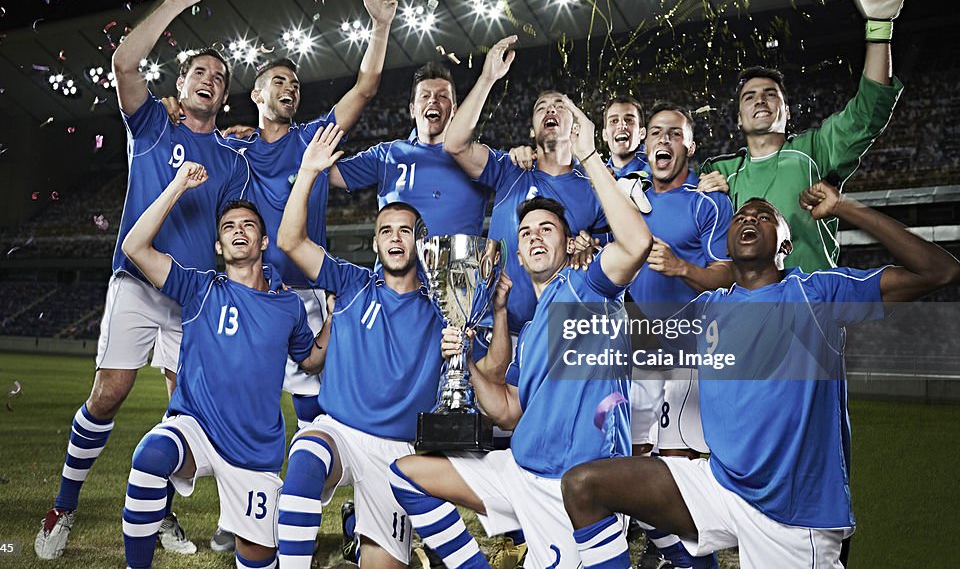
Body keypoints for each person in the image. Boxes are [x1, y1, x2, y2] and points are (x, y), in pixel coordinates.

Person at [559, 185, 960, 568]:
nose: (748, 219)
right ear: (728, 241)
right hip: (721, 485)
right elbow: (644, 343)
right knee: (584, 485)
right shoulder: (709, 307)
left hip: (792, 514)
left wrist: (844, 208)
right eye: (740, 217)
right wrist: (607, 280)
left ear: (785, 244)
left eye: (764, 216)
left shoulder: (815, 295)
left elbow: (939, 271)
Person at [35, 0, 250, 559]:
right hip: (135, 280)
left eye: (220, 77)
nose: (210, 80)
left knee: (185, 408)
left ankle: (159, 514)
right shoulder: (154, 124)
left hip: (190, 295)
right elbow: (125, 61)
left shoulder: (230, 159)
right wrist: (176, 4)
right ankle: (64, 507)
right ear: (180, 84)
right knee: (109, 393)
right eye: (200, 72)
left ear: (225, 95)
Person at [387, 104, 652, 569]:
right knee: (407, 474)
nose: (533, 236)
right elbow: (510, 409)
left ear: (570, 244)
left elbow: (635, 245)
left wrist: (589, 156)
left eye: (547, 229)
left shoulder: (588, 287)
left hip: (576, 485)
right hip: (521, 472)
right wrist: (463, 366)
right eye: (525, 230)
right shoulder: (529, 333)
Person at [201, 0, 396, 552]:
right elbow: (182, 123)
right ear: (256, 95)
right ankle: (241, 515)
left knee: (317, 416)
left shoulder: (313, 138)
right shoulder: (231, 148)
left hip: (308, 298)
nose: (290, 87)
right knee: (245, 416)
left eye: (294, 82)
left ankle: (326, 508)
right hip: (251, 299)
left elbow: (364, 86)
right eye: (277, 82)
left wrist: (380, 26)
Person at [118, 161, 316, 569]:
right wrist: (176, 186)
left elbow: (311, 360)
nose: (239, 230)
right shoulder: (199, 288)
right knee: (151, 455)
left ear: (263, 241)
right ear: (218, 247)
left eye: (248, 225)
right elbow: (134, 247)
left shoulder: (289, 305)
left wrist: (336, 319)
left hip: (255, 452)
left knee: (257, 559)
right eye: (228, 227)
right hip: (197, 429)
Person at [275, 124, 446, 569]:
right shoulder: (353, 283)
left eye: (404, 231)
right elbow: (290, 241)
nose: (394, 238)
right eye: (385, 230)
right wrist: (310, 171)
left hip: (398, 455)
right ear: (375, 242)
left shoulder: (444, 305)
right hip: (341, 432)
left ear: (421, 242)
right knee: (307, 455)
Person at [697, 0, 906, 273]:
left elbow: (868, 112)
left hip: (813, 304)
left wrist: (880, 27)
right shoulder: (719, 172)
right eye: (749, 96)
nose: (760, 100)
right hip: (749, 310)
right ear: (739, 120)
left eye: (771, 94)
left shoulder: (815, 149)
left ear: (788, 111)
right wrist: (700, 196)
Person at [445, 36, 642, 336]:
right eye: (541, 108)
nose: (550, 109)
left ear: (575, 125)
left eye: (560, 106)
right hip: (498, 328)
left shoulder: (595, 186)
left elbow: (618, 250)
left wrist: (589, 249)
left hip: (562, 332)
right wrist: (487, 78)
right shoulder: (510, 168)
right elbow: (455, 144)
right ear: (532, 130)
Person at [625, 103, 733, 569]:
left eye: (674, 133)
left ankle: (694, 558)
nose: (662, 140)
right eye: (654, 133)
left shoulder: (709, 202)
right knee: (632, 454)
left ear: (689, 145)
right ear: (645, 145)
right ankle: (657, 544)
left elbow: (727, 278)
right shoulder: (631, 201)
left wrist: (681, 267)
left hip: (688, 350)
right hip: (635, 347)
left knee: (676, 461)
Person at [331, 61, 492, 237]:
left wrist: (520, 154)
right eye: (425, 96)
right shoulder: (387, 155)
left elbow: (517, 179)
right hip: (397, 263)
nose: (433, 100)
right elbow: (328, 174)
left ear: (454, 110)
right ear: (412, 110)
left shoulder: (477, 159)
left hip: (458, 264)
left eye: (442, 96)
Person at [603, 96, 649, 179]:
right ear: (605, 134)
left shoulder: (658, 172)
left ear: (642, 133)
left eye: (629, 120)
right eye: (614, 121)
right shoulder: (595, 176)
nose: (621, 125)